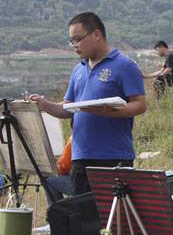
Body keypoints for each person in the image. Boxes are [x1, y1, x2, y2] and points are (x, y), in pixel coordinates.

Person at [29, 12, 146, 196]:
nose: (75, 46)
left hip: (112, 157)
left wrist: (109, 111)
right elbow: (68, 108)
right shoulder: (78, 70)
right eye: (71, 41)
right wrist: (45, 105)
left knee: (108, 212)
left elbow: (139, 105)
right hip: (81, 157)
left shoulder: (124, 65)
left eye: (78, 39)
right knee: (81, 211)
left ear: (96, 35)